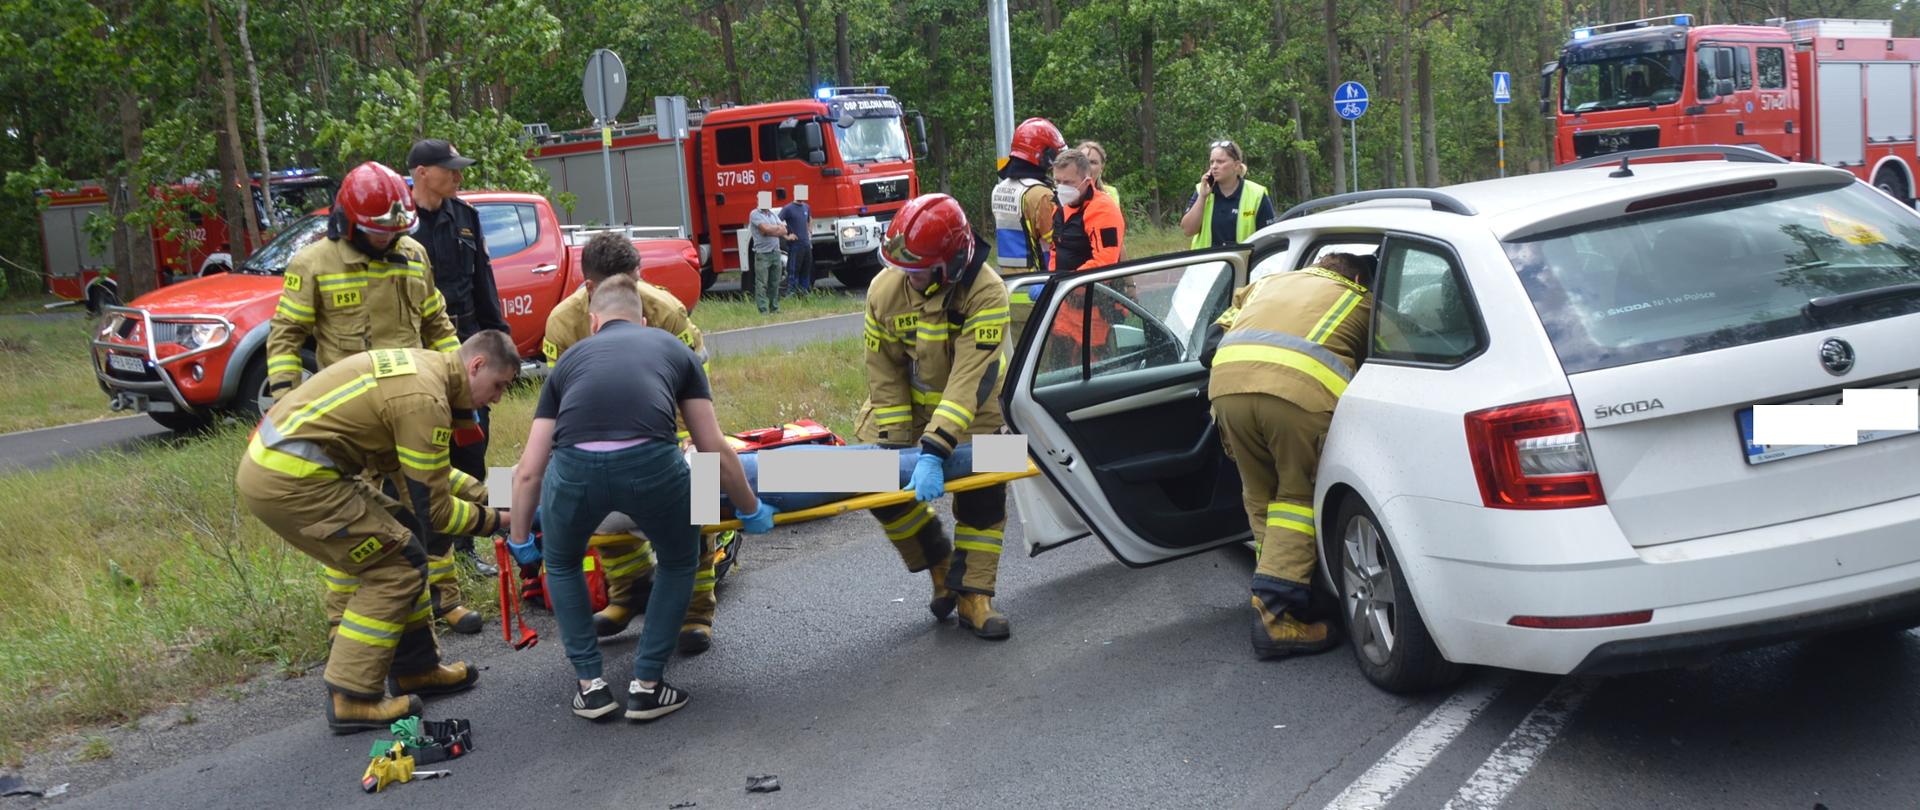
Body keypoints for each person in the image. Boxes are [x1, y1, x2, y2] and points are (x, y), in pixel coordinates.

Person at [505, 275, 776, 722]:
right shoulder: (674, 349)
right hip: (653, 470)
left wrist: (519, 537)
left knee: (563, 563)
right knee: (678, 559)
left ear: (594, 323)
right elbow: (712, 446)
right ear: (644, 321)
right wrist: (750, 508)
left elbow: (530, 468)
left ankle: (591, 688)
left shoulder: (569, 361)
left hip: (575, 476)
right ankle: (647, 685)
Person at [236, 332, 518, 732]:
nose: (498, 399)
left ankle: (416, 670)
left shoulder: (428, 374)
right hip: (292, 480)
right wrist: (501, 521)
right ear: (476, 366)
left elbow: (424, 475)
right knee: (395, 566)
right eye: (499, 386)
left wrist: (498, 495)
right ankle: (351, 695)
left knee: (406, 538)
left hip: (296, 470)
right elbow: (436, 510)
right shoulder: (426, 401)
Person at [265, 161, 476, 633]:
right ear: (348, 223)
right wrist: (286, 402)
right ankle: (344, 618)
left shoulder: (414, 254)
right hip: (352, 421)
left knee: (431, 500)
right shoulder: (313, 264)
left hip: (411, 411)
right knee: (352, 519)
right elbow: (285, 338)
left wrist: (460, 390)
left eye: (395, 231)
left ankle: (445, 599)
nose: (388, 240)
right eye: (379, 232)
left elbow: (437, 324)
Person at [543, 233, 730, 653]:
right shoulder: (563, 324)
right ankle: (630, 591)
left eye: (637, 279)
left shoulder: (665, 311)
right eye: (626, 283)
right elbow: (563, 404)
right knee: (592, 489)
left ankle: (697, 609)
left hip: (669, 432)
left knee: (699, 493)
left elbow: (694, 391)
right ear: (590, 288)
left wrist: (680, 444)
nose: (636, 292)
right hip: (598, 440)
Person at [1200, 253, 1374, 659]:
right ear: (1357, 277)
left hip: (1227, 391)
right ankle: (1274, 616)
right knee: (1297, 499)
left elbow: (1210, 345)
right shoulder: (1361, 299)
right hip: (1298, 396)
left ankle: (1288, 595)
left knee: (1260, 495)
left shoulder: (1264, 285)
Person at [858, 193, 1015, 640]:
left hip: (977, 408)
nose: (905, 276)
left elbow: (968, 381)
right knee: (880, 487)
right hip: (908, 408)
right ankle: (939, 563)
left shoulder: (986, 292)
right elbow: (884, 372)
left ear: (950, 265)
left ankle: (974, 597)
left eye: (917, 269)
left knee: (984, 499)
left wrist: (933, 450)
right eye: (900, 267)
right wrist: (895, 445)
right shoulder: (885, 290)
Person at [408, 138, 512, 609]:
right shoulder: (400, 224)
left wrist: (500, 340)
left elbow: (483, 281)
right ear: (422, 173)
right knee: (425, 456)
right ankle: (427, 551)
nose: (458, 176)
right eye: (449, 169)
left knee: (472, 448)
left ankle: (467, 549)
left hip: (468, 345)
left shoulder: (465, 217)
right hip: (420, 354)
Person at [990, 117, 1066, 273]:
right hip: (1039, 279)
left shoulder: (999, 189)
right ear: (1044, 156)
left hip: (1011, 280)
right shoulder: (1041, 195)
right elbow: (1058, 241)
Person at [1180, 139, 1277, 249]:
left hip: (1242, 259)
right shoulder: (1202, 189)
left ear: (1236, 165)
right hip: (1206, 259)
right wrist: (1202, 197)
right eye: (1212, 162)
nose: (1214, 166)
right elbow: (1188, 231)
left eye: (1220, 162)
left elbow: (1269, 237)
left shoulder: (1256, 194)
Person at [1048, 148, 1125, 274]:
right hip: (1063, 282)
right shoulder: (1060, 207)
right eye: (1058, 182)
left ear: (1087, 181)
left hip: (1094, 284)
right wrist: (1052, 278)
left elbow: (1105, 261)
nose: (1061, 188)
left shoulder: (1104, 211)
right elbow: (1055, 250)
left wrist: (1069, 282)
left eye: (1068, 182)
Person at [748, 191, 786, 314]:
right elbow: (764, 229)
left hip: (776, 252)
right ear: (758, 201)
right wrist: (775, 229)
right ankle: (763, 310)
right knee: (762, 283)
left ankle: (774, 308)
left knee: (775, 282)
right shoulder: (754, 214)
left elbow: (784, 230)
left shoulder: (772, 214)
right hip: (762, 254)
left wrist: (770, 230)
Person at [781, 185, 814, 295]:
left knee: (806, 269)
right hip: (795, 245)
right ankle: (792, 293)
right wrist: (786, 236)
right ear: (794, 193)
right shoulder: (788, 208)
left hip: (806, 245)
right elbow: (778, 222)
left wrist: (810, 231)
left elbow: (809, 219)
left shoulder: (806, 207)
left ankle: (804, 292)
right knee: (794, 270)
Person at [1077, 140, 1119, 208]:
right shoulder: (1066, 193)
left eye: (1093, 162)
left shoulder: (1111, 193)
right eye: (1082, 161)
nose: (1087, 166)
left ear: (1102, 167)